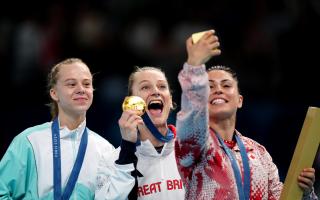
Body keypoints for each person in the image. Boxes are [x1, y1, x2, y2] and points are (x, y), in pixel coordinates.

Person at [175, 31, 318, 199]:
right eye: (209, 87)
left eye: (226, 85)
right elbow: (192, 115)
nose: (218, 90)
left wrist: (306, 192)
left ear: (239, 100)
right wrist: (194, 66)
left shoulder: (259, 153)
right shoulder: (196, 145)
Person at [0, 58, 135, 199]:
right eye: (71, 84)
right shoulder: (29, 141)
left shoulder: (104, 149)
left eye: (87, 84)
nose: (81, 89)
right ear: (54, 93)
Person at [118, 66, 185, 199]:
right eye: (145, 87)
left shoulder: (191, 151)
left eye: (162, 86)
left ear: (170, 101)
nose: (155, 91)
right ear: (131, 103)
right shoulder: (116, 159)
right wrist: (127, 149)